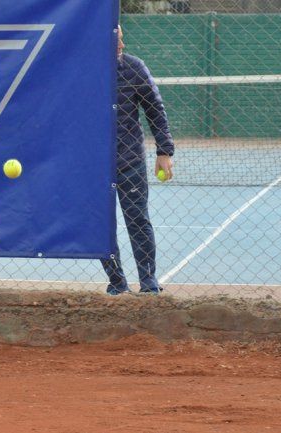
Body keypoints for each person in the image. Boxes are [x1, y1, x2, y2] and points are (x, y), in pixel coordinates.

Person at [101, 25, 175, 295]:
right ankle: (117, 282)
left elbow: (155, 109)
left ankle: (148, 281)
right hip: (95, 166)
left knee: (138, 220)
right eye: (116, 41)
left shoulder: (135, 68)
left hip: (129, 160)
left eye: (122, 40)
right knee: (101, 224)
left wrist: (164, 151)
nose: (122, 45)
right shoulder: (84, 71)